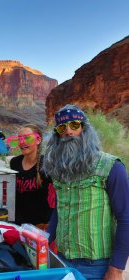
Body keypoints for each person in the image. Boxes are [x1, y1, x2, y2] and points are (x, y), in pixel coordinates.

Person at [43, 104, 129, 280]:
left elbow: (125, 218)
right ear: (57, 134)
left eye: (74, 125)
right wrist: (41, 240)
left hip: (97, 266)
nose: (68, 132)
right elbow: (59, 211)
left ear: (84, 128)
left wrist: (116, 269)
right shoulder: (59, 170)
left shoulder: (110, 166)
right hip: (63, 260)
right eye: (62, 128)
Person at [7, 124, 55, 229]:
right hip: (18, 224)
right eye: (19, 139)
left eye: (28, 138)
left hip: (41, 226)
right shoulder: (14, 162)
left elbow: (54, 198)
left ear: (38, 140)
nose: (22, 142)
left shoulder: (47, 164)